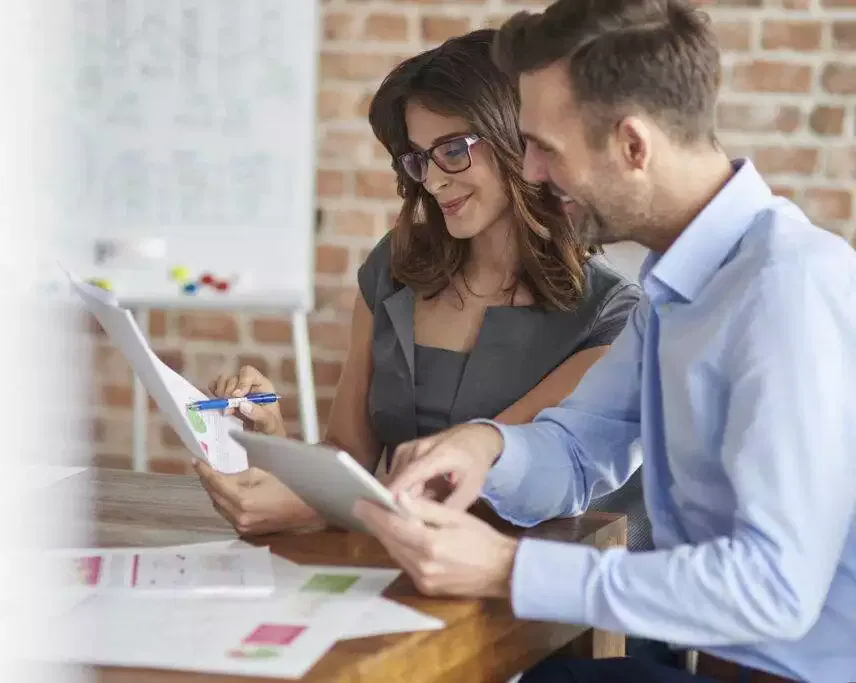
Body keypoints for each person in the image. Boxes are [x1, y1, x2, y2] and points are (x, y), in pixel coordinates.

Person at [353, 3, 856, 683]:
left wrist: (510, 568)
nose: (529, 172)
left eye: (546, 148)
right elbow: (579, 445)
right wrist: (484, 446)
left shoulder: (786, 290)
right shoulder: (678, 288)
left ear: (633, 147)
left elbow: (774, 590)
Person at [192, 29, 642, 540]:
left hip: (522, 583)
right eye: (419, 157)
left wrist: (314, 508)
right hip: (394, 562)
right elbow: (349, 454)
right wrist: (273, 446)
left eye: (452, 150)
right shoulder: (396, 264)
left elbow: (475, 478)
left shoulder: (609, 317)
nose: (432, 179)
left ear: (518, 139)